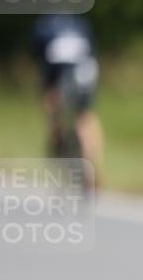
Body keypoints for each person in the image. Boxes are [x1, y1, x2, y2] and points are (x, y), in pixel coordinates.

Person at [31, 14, 104, 187]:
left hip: (58, 73)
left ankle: (56, 137)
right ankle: (92, 166)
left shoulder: (43, 26)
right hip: (85, 72)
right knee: (85, 117)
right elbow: (92, 49)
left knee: (51, 103)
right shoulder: (80, 23)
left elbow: (38, 57)